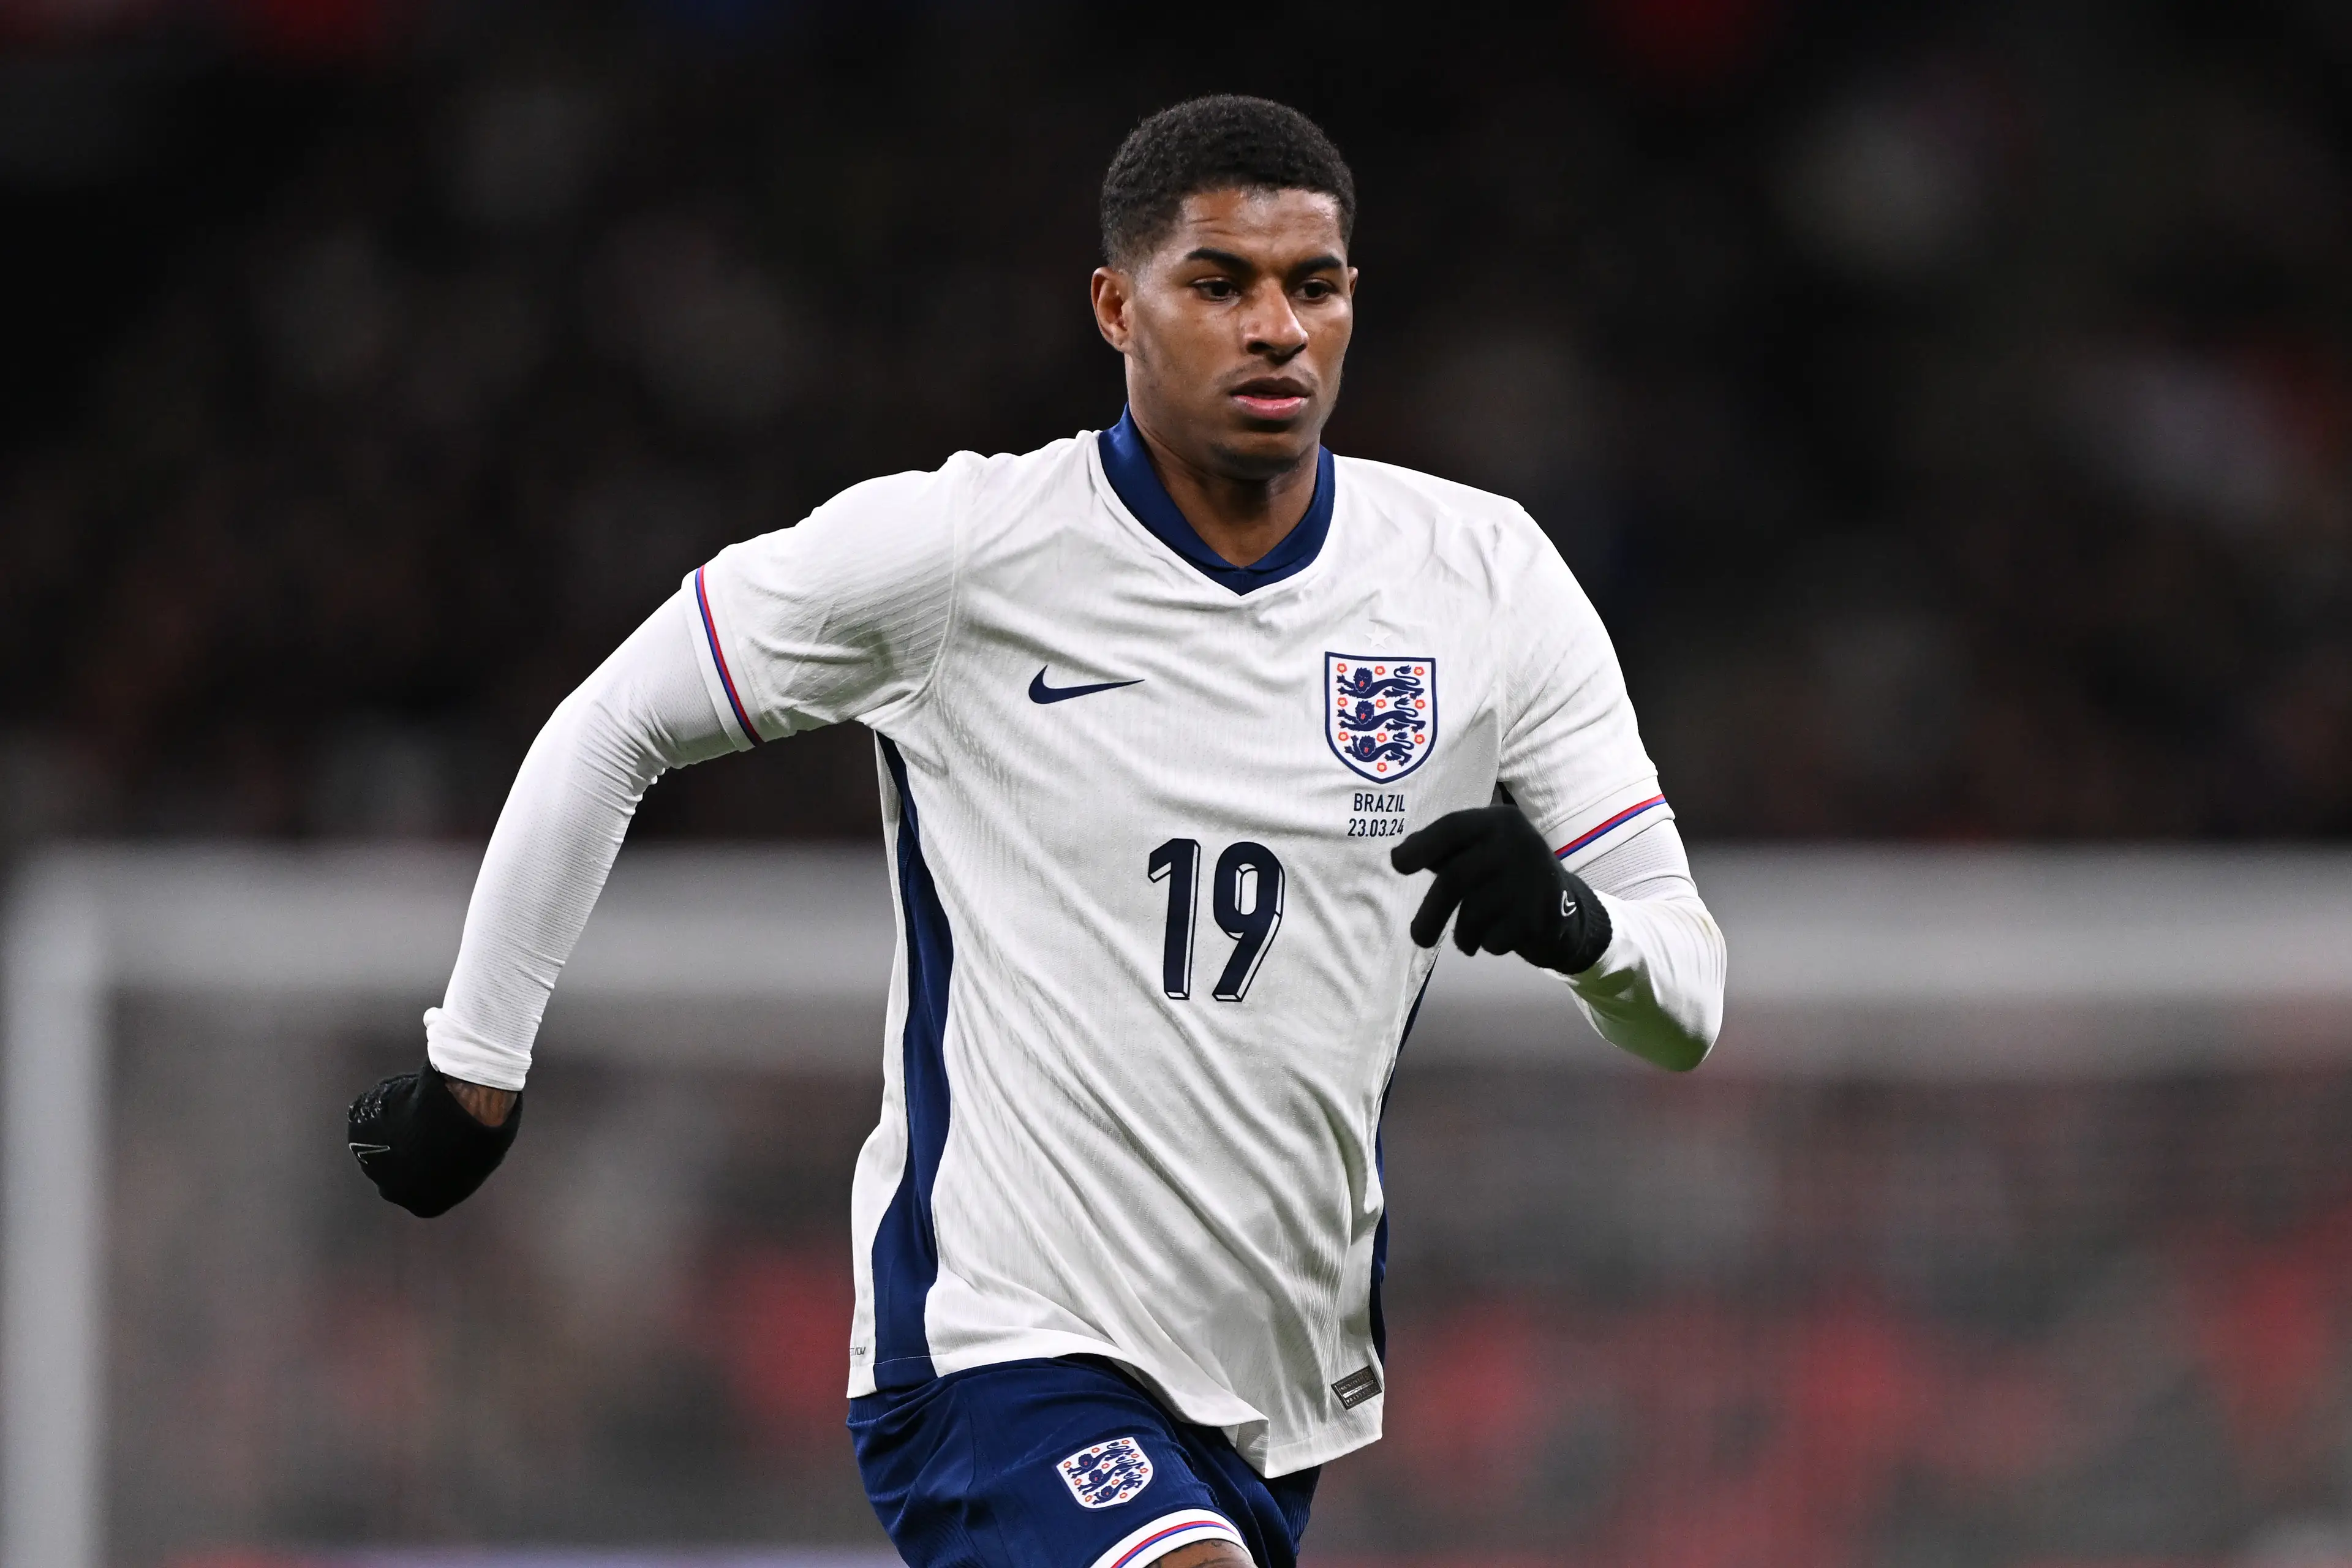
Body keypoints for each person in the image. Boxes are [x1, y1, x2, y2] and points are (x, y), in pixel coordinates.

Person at [347, 94, 1726, 1568]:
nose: (1277, 330)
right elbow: (614, 720)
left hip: (1270, 1384)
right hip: (995, 1349)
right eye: (1220, 284)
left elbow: (1687, 1002)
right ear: (1116, 307)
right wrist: (475, 1068)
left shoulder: (1486, 578)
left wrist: (1574, 927)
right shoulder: (963, 554)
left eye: (1313, 287)